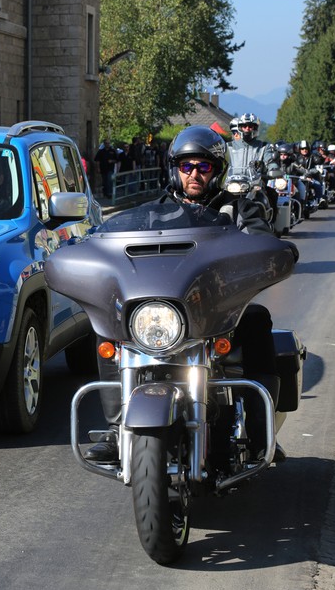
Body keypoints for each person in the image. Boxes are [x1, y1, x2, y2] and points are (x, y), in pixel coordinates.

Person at [85, 126, 288, 463]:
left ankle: (260, 432)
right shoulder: (151, 213)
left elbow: (262, 243)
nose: (194, 174)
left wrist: (269, 253)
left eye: (204, 167)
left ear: (217, 171)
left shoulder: (239, 210)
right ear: (174, 169)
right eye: (187, 166)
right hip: (164, 311)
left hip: (222, 310)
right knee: (108, 329)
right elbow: (110, 244)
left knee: (258, 322)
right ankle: (115, 426)